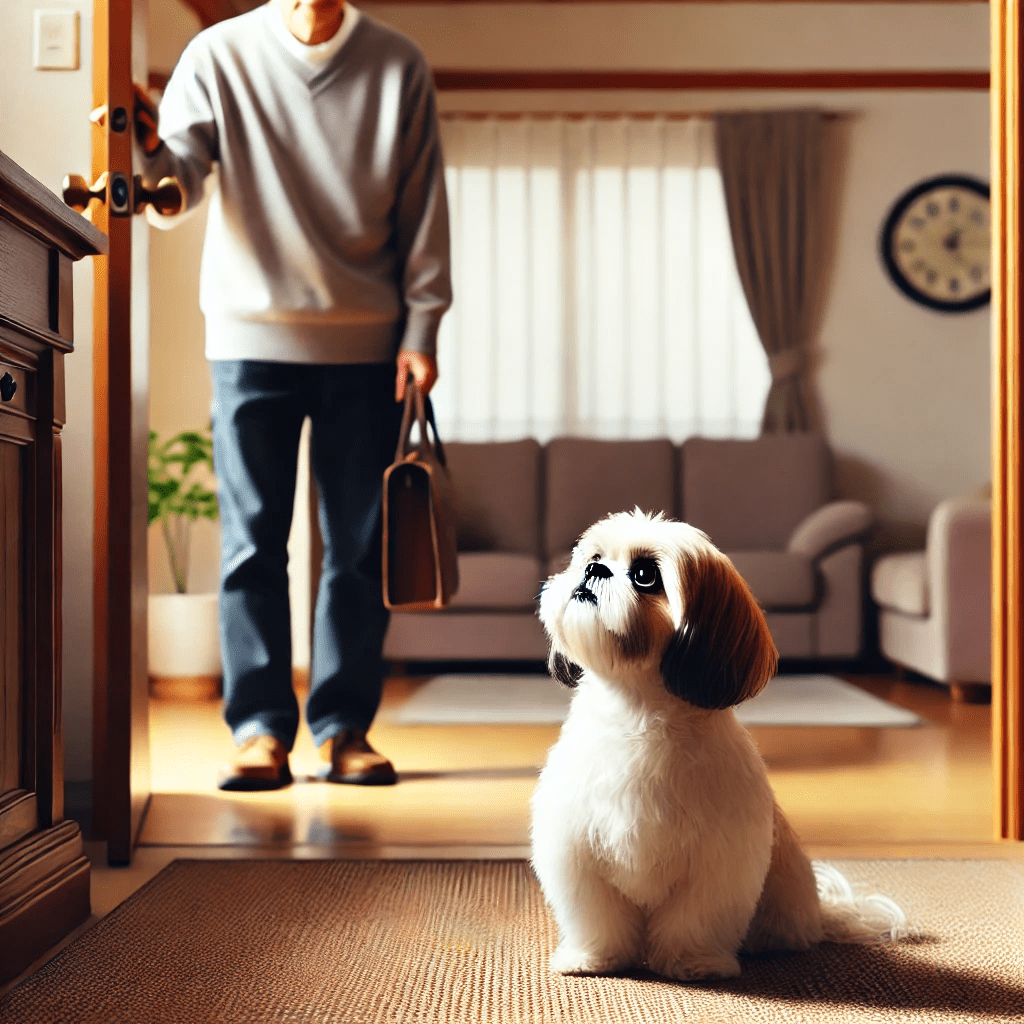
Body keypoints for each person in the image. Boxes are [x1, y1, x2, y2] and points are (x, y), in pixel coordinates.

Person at [136, 0, 451, 790]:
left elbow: (424, 213)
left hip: (368, 343)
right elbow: (177, 188)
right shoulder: (215, 56)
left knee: (355, 547)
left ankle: (345, 728)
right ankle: (259, 730)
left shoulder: (397, 64)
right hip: (248, 341)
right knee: (252, 542)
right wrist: (145, 154)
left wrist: (422, 333)